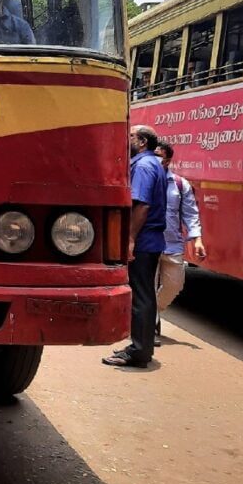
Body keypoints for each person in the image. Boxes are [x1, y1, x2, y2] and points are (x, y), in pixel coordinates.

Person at [102, 124, 167, 368]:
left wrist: (129, 239)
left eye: (130, 136)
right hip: (149, 239)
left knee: (141, 295)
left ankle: (139, 351)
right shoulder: (151, 164)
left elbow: (142, 205)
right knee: (144, 294)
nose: (126, 140)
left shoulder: (142, 166)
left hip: (143, 240)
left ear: (141, 142)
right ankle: (140, 347)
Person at [153, 142, 207, 340]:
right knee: (146, 286)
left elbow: (191, 213)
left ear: (168, 160)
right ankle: (147, 326)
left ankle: (150, 312)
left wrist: (197, 239)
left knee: (174, 285)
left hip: (172, 244)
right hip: (148, 244)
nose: (157, 159)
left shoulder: (179, 184)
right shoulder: (142, 179)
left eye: (161, 156)